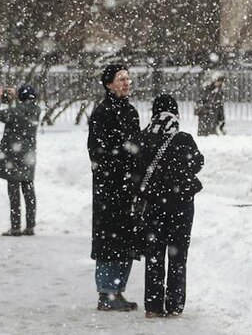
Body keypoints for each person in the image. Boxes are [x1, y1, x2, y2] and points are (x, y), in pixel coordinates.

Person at [136, 94, 204, 318]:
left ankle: (153, 306)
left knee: (154, 255)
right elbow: (197, 164)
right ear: (175, 114)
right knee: (178, 256)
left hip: (154, 205)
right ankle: (175, 305)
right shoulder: (183, 139)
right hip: (181, 205)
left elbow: (136, 169)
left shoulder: (144, 138)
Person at [88, 63, 142, 312]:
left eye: (127, 78)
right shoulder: (102, 113)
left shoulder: (130, 112)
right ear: (109, 84)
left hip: (128, 186)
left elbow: (136, 146)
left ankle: (118, 289)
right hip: (109, 187)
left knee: (126, 237)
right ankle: (106, 291)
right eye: (121, 79)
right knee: (109, 238)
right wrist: (118, 165)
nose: (126, 83)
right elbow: (97, 151)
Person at [0, 84, 41, 237]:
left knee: (14, 192)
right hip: (28, 156)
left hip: (13, 156)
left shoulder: (15, 112)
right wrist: (16, 98)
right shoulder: (36, 110)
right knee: (29, 190)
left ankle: (15, 227)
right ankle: (30, 225)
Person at [194, 72, 225, 136]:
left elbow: (220, 105)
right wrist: (207, 107)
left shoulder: (219, 91)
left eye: (220, 81)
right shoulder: (207, 89)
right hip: (205, 114)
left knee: (212, 133)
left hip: (214, 115)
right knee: (204, 132)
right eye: (218, 81)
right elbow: (200, 101)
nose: (219, 83)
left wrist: (221, 118)